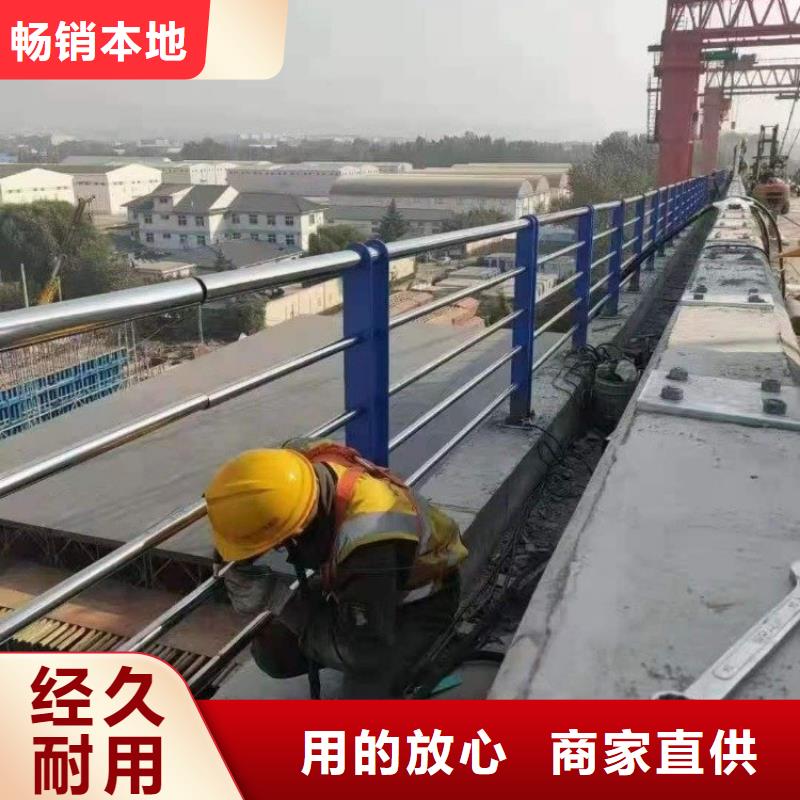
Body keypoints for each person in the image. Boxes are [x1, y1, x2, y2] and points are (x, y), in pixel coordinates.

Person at [204, 438, 467, 698]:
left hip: (422, 601)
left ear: (296, 529)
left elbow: (361, 653)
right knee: (273, 653)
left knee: (362, 694)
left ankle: (417, 655)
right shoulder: (294, 468)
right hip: (359, 582)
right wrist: (236, 549)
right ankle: (352, 642)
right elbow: (256, 502)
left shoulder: (369, 540)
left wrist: (277, 597)